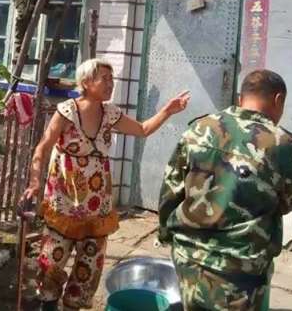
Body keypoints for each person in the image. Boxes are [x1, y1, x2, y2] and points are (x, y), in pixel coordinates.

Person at [21, 58, 190, 310]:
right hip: (64, 204)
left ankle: (72, 306)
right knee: (51, 264)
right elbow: (43, 148)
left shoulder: (110, 113)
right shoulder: (67, 112)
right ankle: (47, 304)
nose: (111, 84)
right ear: (86, 82)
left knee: (87, 270)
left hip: (97, 208)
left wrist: (168, 110)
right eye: (105, 79)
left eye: (112, 79)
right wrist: (35, 180)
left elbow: (143, 129)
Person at [158, 69, 292, 311]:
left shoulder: (198, 129)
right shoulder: (283, 145)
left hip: (189, 258)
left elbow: (171, 189)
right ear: (278, 99)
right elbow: (291, 199)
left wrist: (166, 234)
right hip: (240, 270)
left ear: (241, 98)